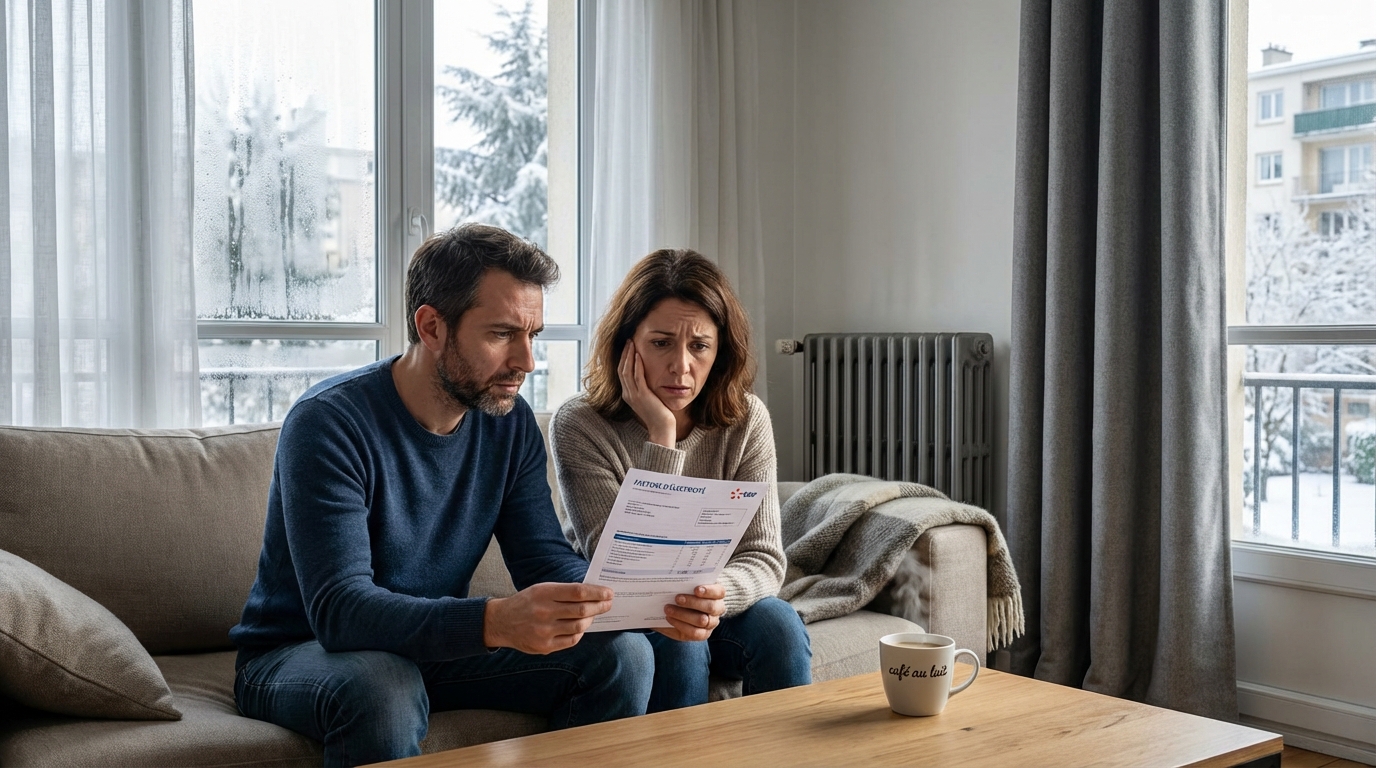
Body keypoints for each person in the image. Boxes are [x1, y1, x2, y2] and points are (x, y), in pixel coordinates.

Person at [229, 224, 654, 766]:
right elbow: (341, 611)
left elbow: (542, 559)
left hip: (428, 649)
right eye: (501, 334)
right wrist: (493, 622)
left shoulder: (508, 423)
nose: (526, 361)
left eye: (534, 336)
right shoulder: (329, 424)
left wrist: (637, 599)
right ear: (431, 327)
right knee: (384, 686)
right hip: (300, 653)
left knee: (623, 655)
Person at [549, 248, 811, 712]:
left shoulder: (747, 419)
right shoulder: (579, 424)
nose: (681, 366)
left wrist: (714, 595)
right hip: (625, 611)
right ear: (627, 344)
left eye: (699, 346)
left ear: (721, 350)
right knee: (678, 635)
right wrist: (662, 437)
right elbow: (635, 568)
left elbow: (765, 557)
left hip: (713, 602)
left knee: (779, 624)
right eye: (661, 342)